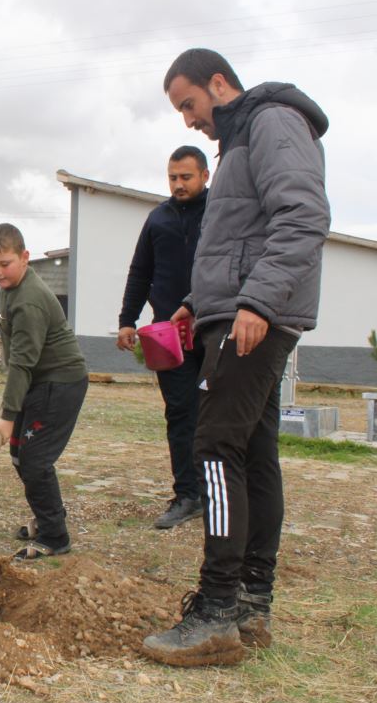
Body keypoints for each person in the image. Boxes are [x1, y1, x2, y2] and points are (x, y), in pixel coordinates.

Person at [141, 49, 330, 666]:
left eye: (189, 105)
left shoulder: (273, 122)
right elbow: (240, 237)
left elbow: (303, 218)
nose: (189, 121)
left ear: (218, 83)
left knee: (214, 447)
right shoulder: (242, 139)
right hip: (238, 312)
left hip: (256, 320)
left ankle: (218, 610)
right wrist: (200, 301)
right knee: (252, 451)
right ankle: (251, 602)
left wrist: (255, 302)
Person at [0, 223, 88, 559]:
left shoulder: (29, 301)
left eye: (5, 264)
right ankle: (47, 519)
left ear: (25, 257)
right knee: (20, 455)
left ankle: (55, 536)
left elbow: (22, 364)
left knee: (35, 460)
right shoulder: (11, 286)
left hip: (60, 383)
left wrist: (8, 416)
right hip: (39, 382)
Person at [117, 146, 210, 529]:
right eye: (172, 177)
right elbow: (140, 272)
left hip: (215, 327)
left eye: (186, 177)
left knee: (217, 414)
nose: (178, 184)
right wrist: (127, 320)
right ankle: (187, 495)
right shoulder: (158, 219)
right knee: (180, 413)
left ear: (205, 176)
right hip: (168, 335)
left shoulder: (222, 213)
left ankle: (220, 495)